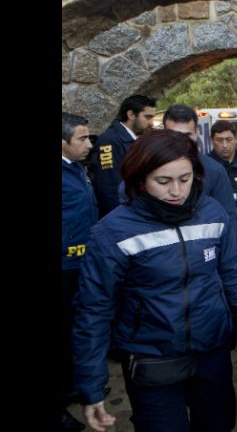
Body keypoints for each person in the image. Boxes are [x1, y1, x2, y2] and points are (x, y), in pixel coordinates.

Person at [72, 130, 237, 432]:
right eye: (163, 182)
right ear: (140, 179)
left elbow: (233, 279)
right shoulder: (113, 232)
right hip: (152, 358)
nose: (176, 191)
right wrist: (92, 385)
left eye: (185, 178)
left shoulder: (213, 213)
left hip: (211, 350)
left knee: (219, 424)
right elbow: (94, 310)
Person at [61, 112, 99, 432]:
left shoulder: (75, 169)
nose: (89, 144)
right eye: (82, 139)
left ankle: (72, 384)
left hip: (78, 264)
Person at [162, 104, 237, 224]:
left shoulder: (214, 171)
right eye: (174, 135)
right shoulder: (149, 167)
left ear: (196, 133)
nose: (181, 141)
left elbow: (228, 217)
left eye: (187, 136)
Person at [91, 94, 156, 216]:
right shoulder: (108, 142)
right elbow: (108, 188)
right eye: (147, 117)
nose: (151, 123)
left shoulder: (135, 139)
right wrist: (123, 218)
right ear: (131, 115)